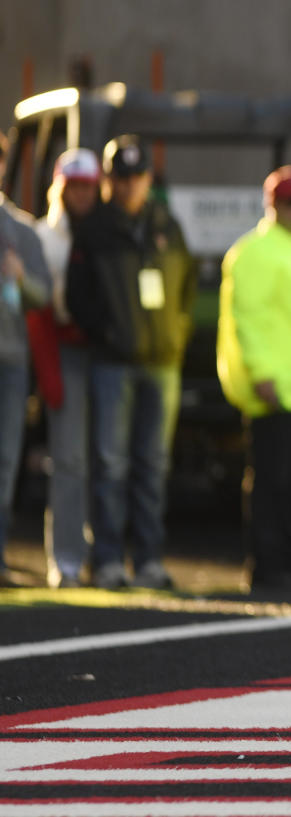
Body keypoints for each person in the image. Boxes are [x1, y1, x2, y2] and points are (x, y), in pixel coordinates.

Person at [65, 134, 196, 590]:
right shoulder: (95, 228)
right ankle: (106, 559)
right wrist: (108, 332)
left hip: (161, 363)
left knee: (153, 464)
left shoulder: (166, 224)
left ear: (148, 180)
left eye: (137, 177)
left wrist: (175, 335)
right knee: (110, 462)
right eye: (121, 178)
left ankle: (149, 559)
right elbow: (76, 297)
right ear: (110, 180)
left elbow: (187, 287)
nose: (129, 187)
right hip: (113, 362)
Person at [217, 165, 291, 591]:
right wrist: (262, 373)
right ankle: (267, 566)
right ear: (273, 205)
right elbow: (247, 318)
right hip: (277, 390)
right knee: (273, 481)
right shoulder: (255, 252)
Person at [34, 148, 100, 587]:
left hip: (104, 354)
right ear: (59, 187)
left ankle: (103, 554)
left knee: (104, 459)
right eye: (72, 185)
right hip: (63, 351)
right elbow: (36, 311)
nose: (79, 194)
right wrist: (48, 372)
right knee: (70, 459)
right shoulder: (42, 236)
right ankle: (68, 558)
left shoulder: (106, 230)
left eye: (86, 187)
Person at [0, 133, 52, 587]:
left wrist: (19, 278)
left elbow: (43, 296)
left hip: (11, 362)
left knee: (5, 462)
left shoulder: (21, 228)